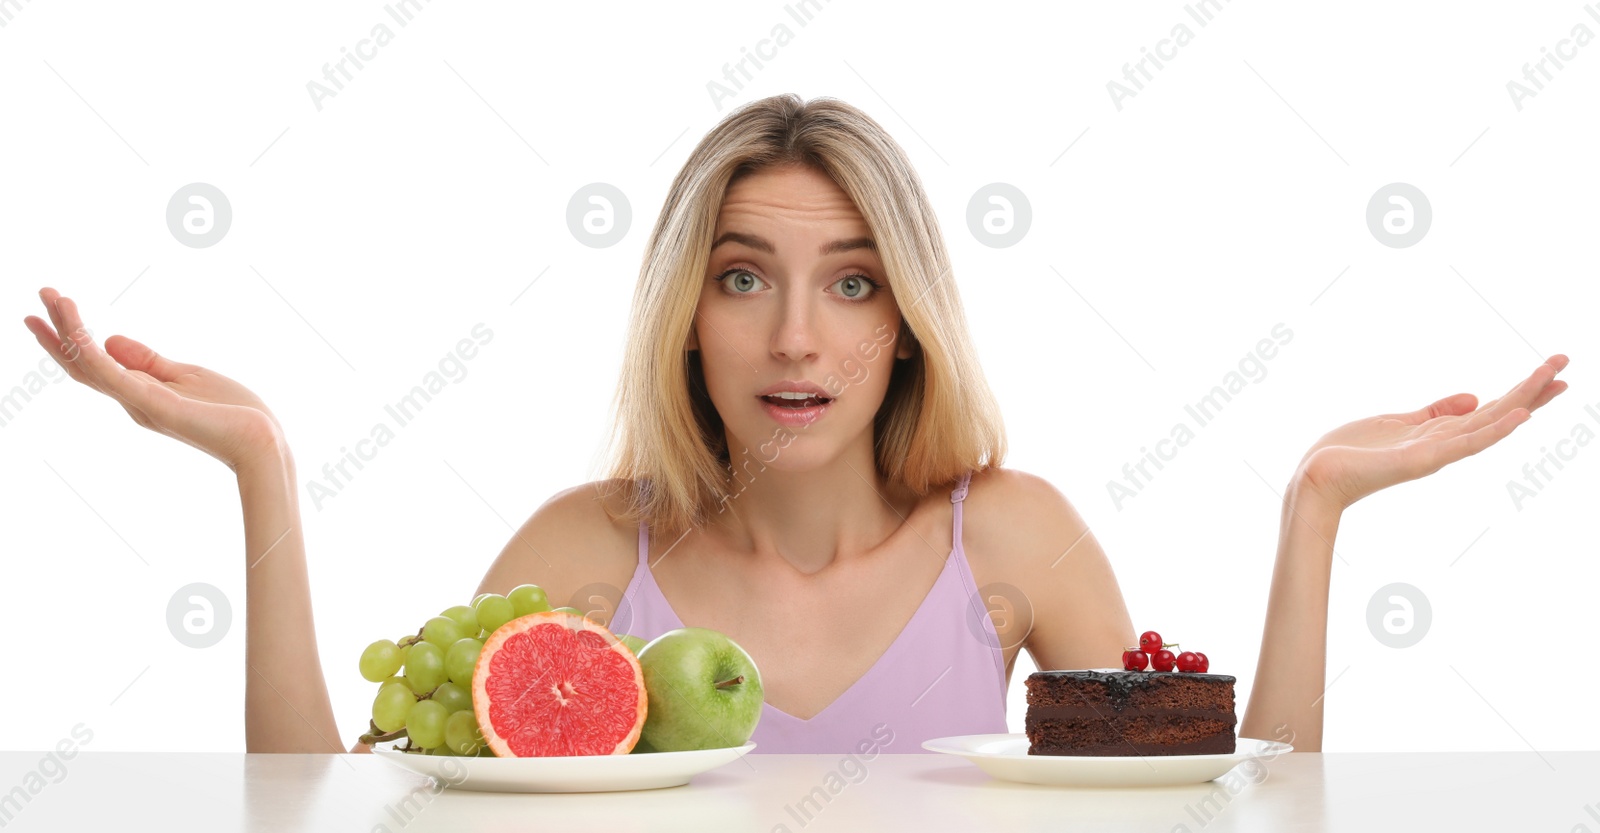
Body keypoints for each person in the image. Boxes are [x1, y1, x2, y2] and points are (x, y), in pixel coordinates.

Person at [23, 94, 1569, 756]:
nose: (796, 337)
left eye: (852, 282)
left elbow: (1227, 803)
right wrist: (263, 469)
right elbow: (333, 808)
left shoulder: (1011, 538)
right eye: (745, 276)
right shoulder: (586, 549)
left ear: (907, 320)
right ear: (685, 311)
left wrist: (1314, 507)